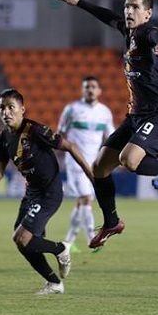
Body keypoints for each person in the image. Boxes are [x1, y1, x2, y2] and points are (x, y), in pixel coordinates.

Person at [57, 0, 158, 249]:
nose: (129, 11)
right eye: (127, 6)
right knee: (99, 168)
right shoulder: (129, 32)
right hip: (135, 115)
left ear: (148, 13)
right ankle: (111, 221)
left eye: (135, 7)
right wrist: (80, 2)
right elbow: (108, 16)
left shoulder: (147, 33)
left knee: (129, 160)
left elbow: (157, 36)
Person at [0, 88, 93, 295]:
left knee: (22, 237)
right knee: (23, 243)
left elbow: (70, 146)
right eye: (2, 108)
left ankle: (61, 249)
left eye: (11, 107)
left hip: (49, 192)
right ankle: (54, 283)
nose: (6, 112)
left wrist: (91, 175)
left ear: (22, 109)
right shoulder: (3, 137)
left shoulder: (34, 130)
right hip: (31, 193)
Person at [57, 76, 115, 252]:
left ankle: (68, 241)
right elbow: (60, 133)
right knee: (86, 199)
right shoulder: (72, 109)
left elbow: (110, 137)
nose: (90, 89)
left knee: (81, 202)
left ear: (99, 91)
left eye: (93, 86)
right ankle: (92, 238)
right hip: (75, 163)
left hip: (95, 164)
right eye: (87, 87)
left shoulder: (105, 112)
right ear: (82, 90)